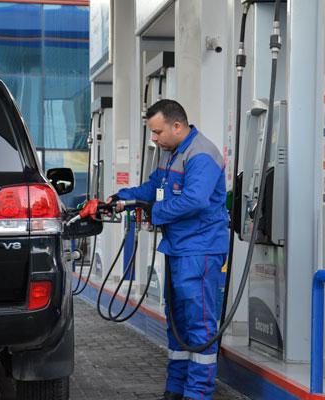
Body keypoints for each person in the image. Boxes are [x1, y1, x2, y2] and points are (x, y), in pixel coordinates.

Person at [107, 99, 229, 400]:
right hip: (178, 248)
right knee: (176, 320)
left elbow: (195, 200)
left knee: (198, 323)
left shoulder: (201, 154)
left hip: (200, 249)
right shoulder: (169, 154)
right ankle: (176, 389)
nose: (154, 139)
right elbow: (153, 188)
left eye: (158, 132)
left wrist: (154, 212)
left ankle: (198, 393)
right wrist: (122, 198)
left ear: (177, 126)